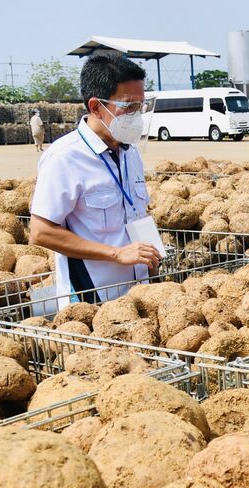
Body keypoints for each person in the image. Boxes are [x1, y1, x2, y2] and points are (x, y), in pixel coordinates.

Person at [29, 53, 161, 307]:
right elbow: (41, 232)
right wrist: (117, 254)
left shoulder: (130, 152)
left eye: (141, 107)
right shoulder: (64, 158)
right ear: (96, 107)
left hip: (139, 296)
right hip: (93, 302)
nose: (137, 115)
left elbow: (134, 213)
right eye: (128, 106)